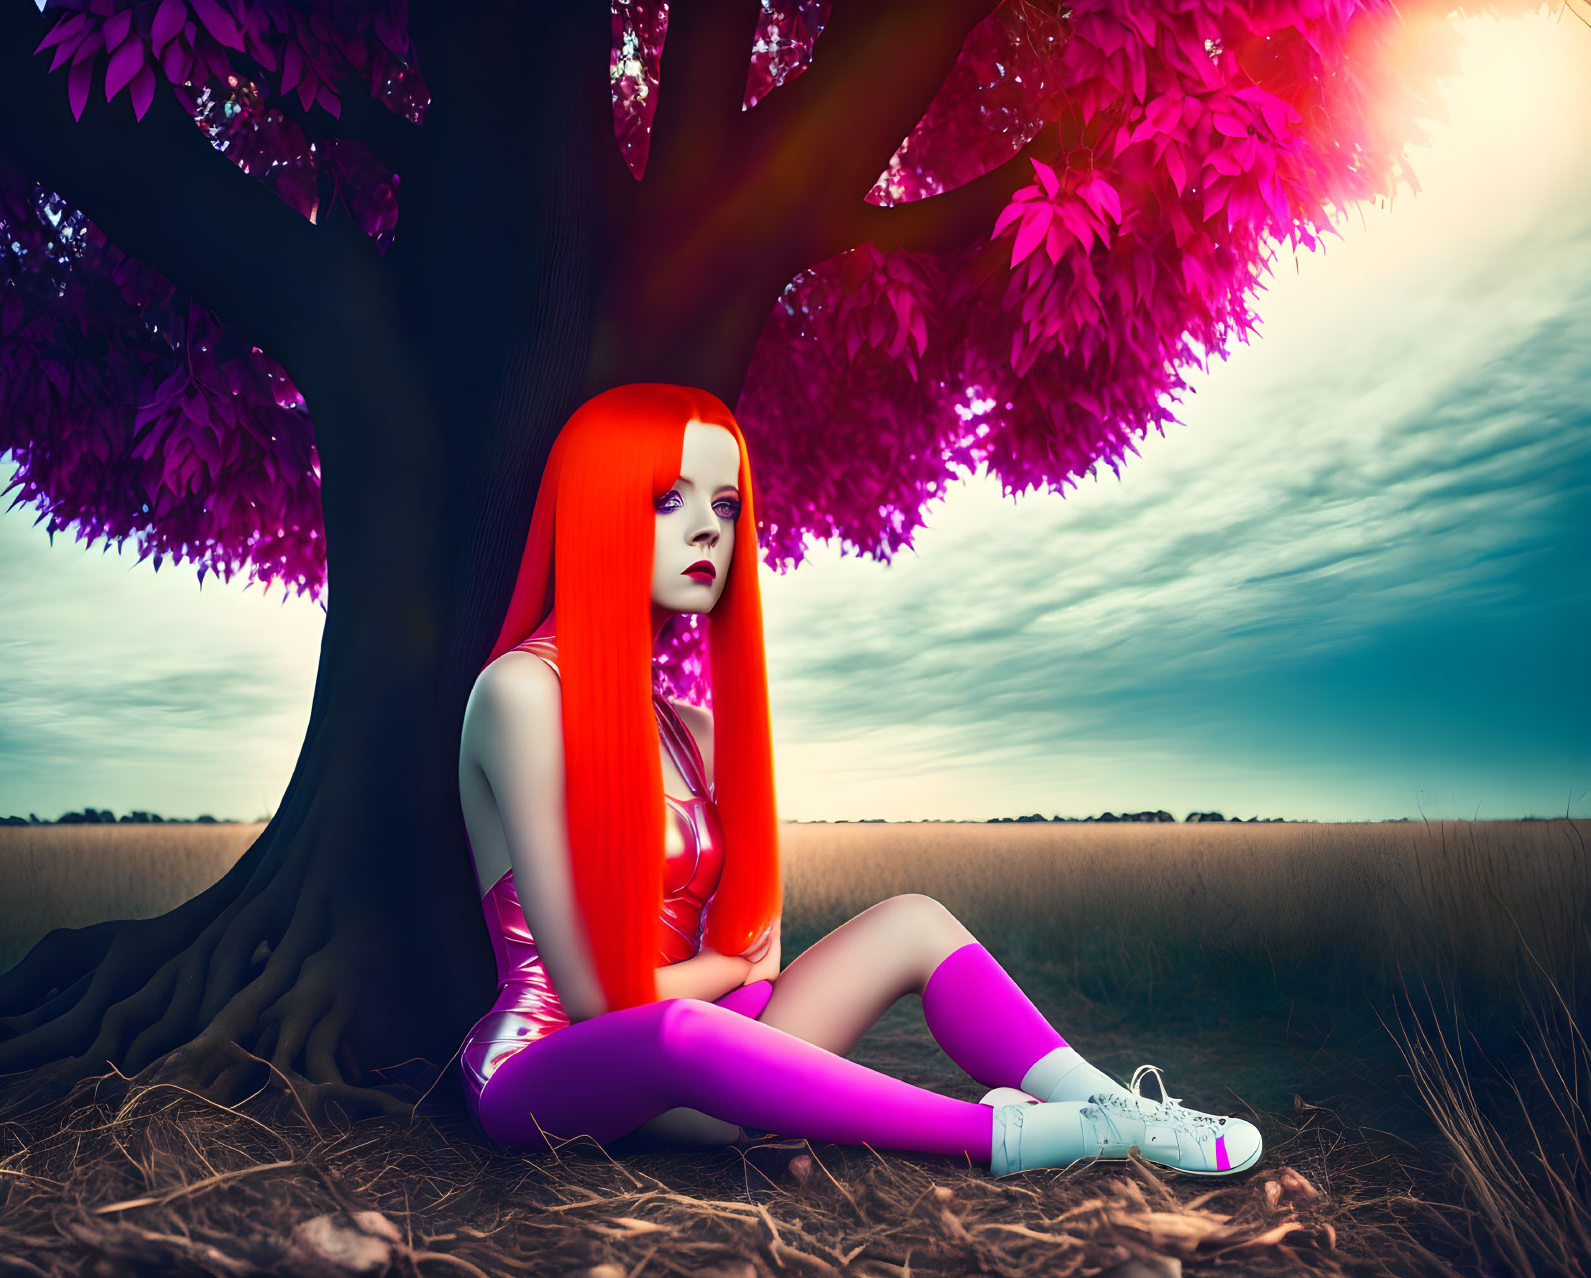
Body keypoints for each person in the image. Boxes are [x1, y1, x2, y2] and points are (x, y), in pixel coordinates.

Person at [455, 383, 1263, 1178]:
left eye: (727, 505)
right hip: (555, 1070)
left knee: (913, 920)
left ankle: (1116, 1107)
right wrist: (732, 976)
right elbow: (603, 1001)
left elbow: (759, 957)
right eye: (669, 498)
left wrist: (740, 979)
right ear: (594, 507)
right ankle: (1017, 1137)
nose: (708, 528)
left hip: (710, 1050)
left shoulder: (696, 730)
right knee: (677, 1033)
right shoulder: (521, 694)